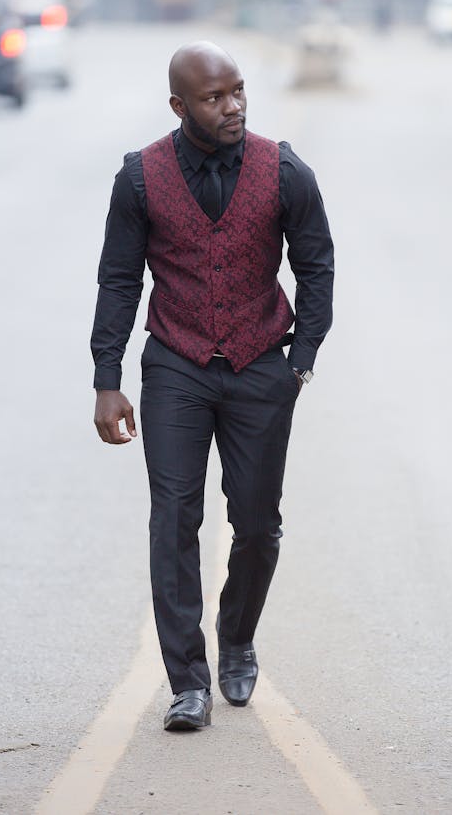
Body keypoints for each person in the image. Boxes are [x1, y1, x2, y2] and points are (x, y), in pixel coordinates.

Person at [91, 41, 334, 732]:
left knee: (257, 525)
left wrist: (301, 359)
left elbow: (317, 265)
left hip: (262, 365)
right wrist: (107, 378)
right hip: (176, 364)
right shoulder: (140, 178)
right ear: (179, 105)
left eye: (238, 91)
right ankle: (187, 682)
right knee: (174, 517)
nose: (232, 106)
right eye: (214, 97)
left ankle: (237, 637)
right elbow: (118, 279)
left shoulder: (284, 170)